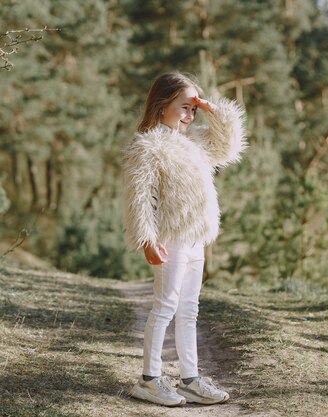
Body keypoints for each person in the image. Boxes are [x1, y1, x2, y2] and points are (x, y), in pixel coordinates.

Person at [121, 71, 246, 406]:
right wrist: (147, 239)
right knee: (165, 306)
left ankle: (190, 379)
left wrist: (211, 109)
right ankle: (150, 380)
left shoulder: (195, 141)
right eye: (184, 107)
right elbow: (140, 196)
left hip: (195, 238)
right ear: (162, 106)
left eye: (193, 109)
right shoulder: (147, 144)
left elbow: (229, 145)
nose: (190, 114)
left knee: (189, 308)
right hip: (169, 237)